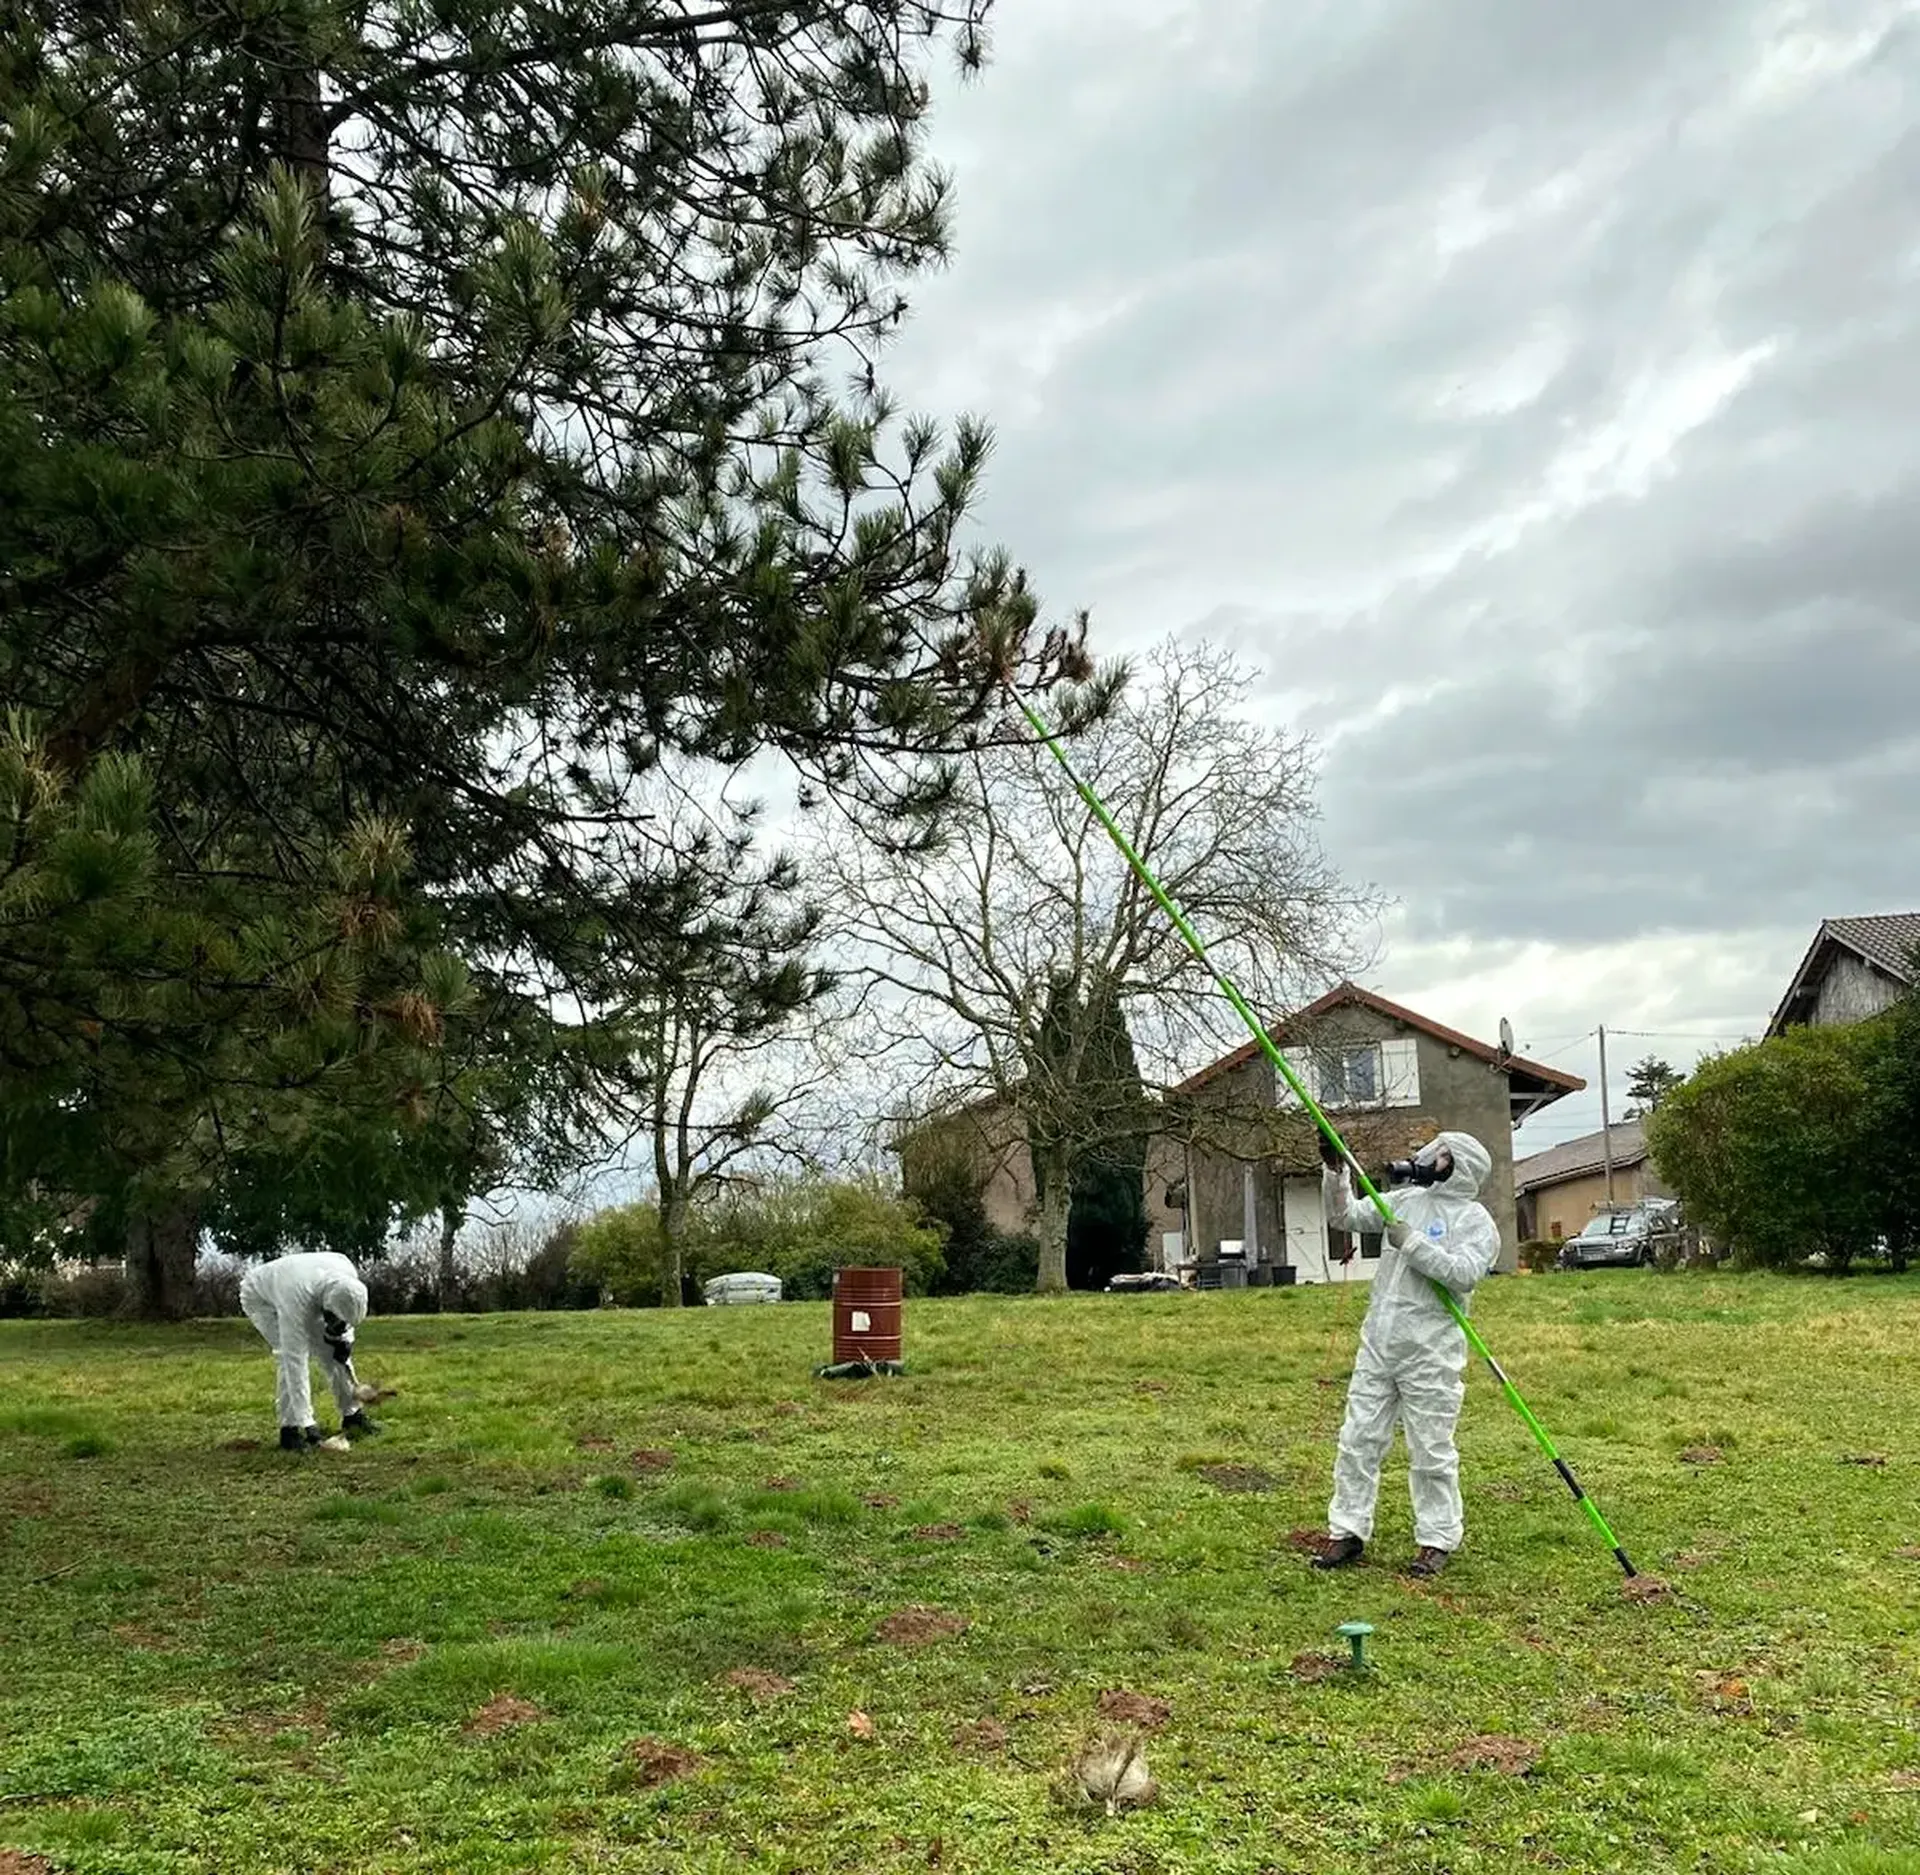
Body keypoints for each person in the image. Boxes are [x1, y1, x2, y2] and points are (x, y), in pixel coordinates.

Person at [1309, 1130, 1499, 1578]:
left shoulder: (1475, 1221)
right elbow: (1344, 1215)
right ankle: (1347, 1530)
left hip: (1431, 1353)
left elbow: (1464, 1273)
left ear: (1460, 1166)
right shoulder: (1406, 1200)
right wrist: (1335, 1170)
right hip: (1379, 1344)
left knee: (1431, 1449)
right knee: (1358, 1440)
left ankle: (1437, 1539)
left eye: (1442, 1154)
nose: (1430, 1157)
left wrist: (1411, 1242)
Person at [238, 1251, 381, 1451]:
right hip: (260, 1298)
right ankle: (291, 1429)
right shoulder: (296, 1298)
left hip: (309, 1289)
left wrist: (342, 1340)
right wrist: (307, 1421)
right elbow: (294, 1358)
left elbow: (345, 1318)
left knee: (333, 1354)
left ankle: (353, 1415)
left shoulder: (347, 1276)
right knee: (287, 1356)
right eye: (334, 1319)